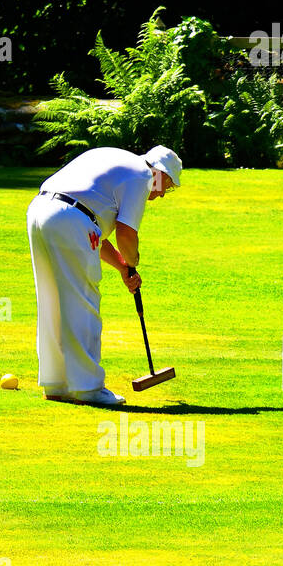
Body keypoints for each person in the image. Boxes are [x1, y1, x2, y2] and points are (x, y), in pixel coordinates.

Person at [26, 145, 181, 406]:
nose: (163, 193)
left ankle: (55, 383)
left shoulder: (118, 161)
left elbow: (90, 227)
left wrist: (122, 267)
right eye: (167, 184)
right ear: (159, 173)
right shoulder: (142, 176)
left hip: (41, 211)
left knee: (51, 299)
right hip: (69, 218)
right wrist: (133, 263)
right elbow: (126, 233)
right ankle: (88, 389)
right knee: (83, 301)